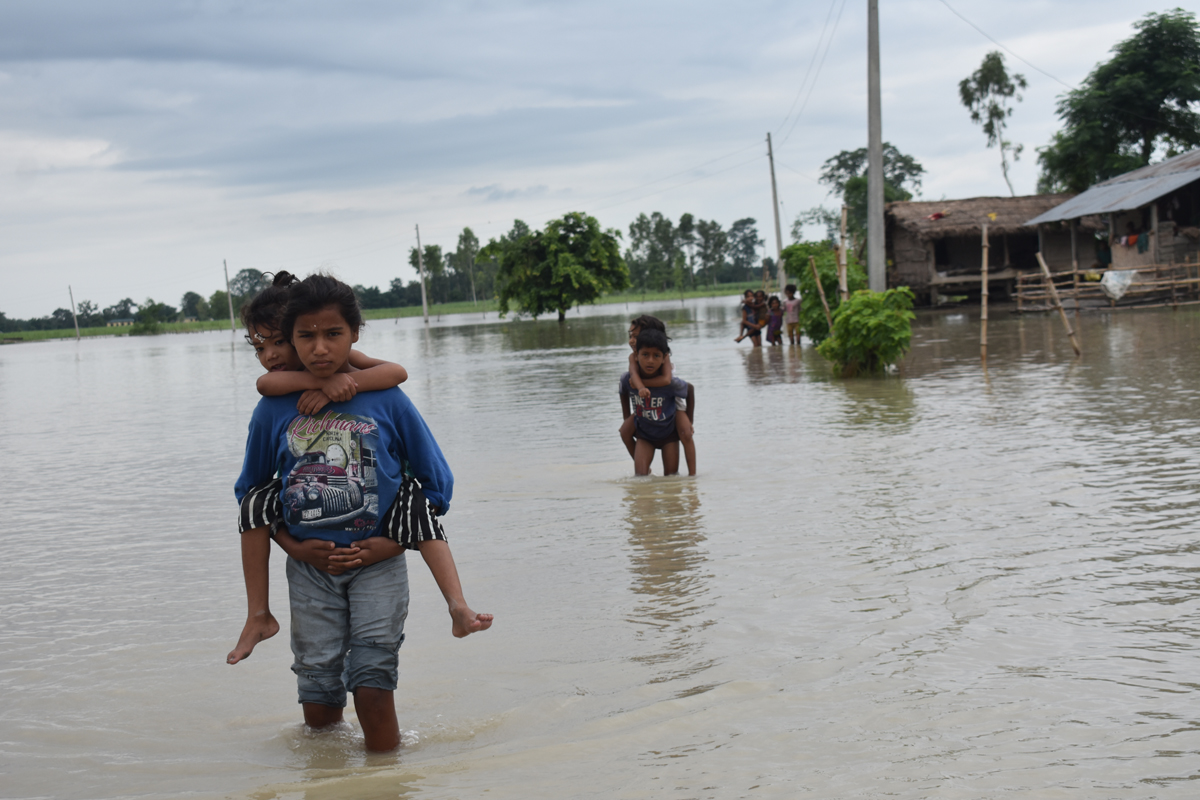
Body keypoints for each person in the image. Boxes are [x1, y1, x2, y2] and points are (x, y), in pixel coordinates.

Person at [234, 273, 491, 751]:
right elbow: (252, 492)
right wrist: (293, 546)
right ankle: (327, 773)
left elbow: (436, 483)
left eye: (333, 334)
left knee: (373, 684)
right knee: (318, 696)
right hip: (310, 571)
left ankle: (384, 778)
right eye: (305, 336)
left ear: (354, 335)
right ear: (290, 339)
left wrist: (392, 543)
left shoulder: (386, 398)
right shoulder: (273, 408)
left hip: (379, 566)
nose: (320, 347)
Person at [229, 272, 416, 665]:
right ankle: (257, 613)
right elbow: (265, 386)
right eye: (260, 347)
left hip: (378, 554)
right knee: (252, 502)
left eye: (279, 342)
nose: (271, 355)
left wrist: (346, 381)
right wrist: (294, 547)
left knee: (373, 668)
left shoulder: (359, 372)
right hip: (308, 559)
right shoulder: (276, 396)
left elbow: (396, 373)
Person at [618, 315, 696, 475]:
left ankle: (693, 478)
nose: (632, 341)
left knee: (686, 432)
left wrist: (642, 385)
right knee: (625, 431)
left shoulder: (663, 356)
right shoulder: (633, 360)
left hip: (673, 398)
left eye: (636, 336)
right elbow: (626, 385)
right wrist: (628, 416)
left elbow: (667, 380)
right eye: (630, 336)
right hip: (647, 411)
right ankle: (646, 468)